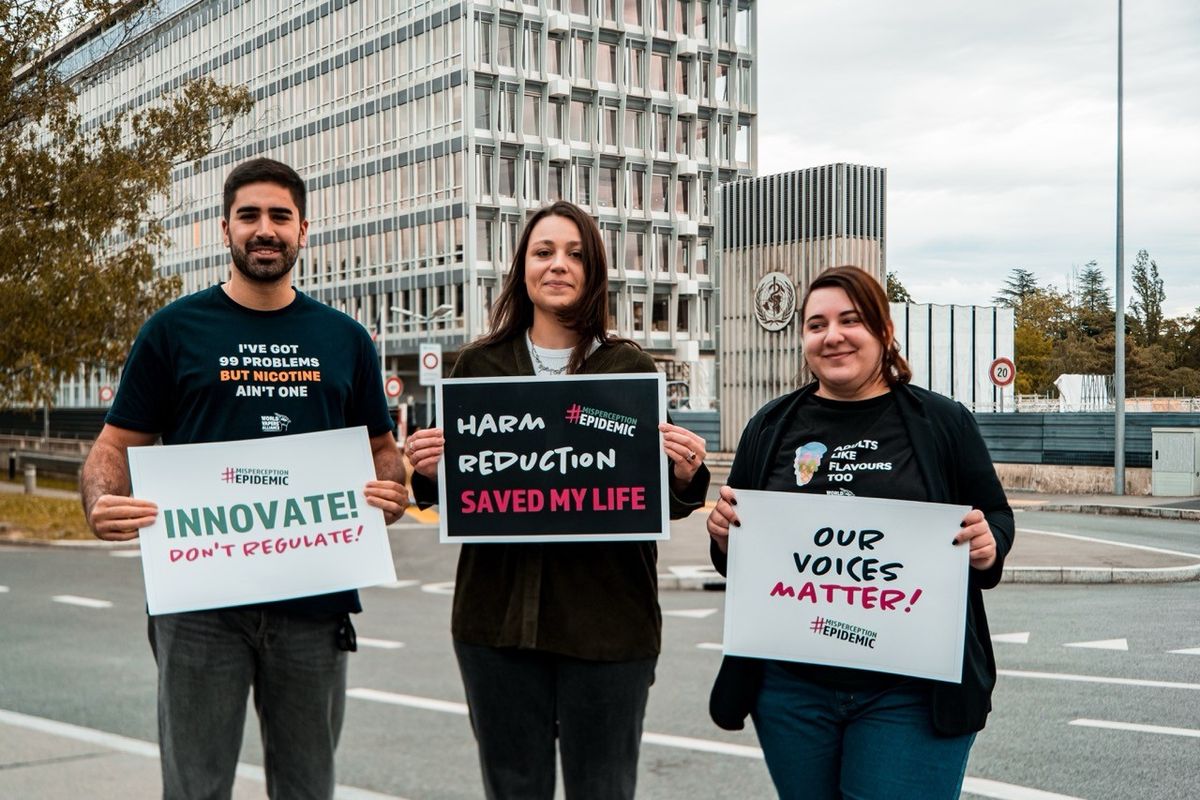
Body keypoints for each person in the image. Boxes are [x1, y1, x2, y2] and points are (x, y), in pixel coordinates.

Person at [80, 157, 408, 800]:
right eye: (250, 215)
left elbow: (381, 449)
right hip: (200, 604)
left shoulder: (345, 339)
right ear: (224, 228)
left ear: (303, 230)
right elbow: (113, 446)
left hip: (314, 602)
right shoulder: (173, 332)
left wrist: (391, 489)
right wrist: (98, 502)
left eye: (279, 216)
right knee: (196, 787)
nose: (265, 229)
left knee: (308, 786)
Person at [404, 200, 711, 800]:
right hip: (495, 627)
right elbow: (452, 495)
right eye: (543, 252)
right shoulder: (478, 367)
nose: (558, 265)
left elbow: (660, 497)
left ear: (594, 270)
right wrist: (431, 470)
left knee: (604, 789)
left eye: (574, 254)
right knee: (512, 788)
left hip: (609, 629)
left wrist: (683, 474)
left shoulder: (627, 368)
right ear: (523, 268)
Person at [705, 266, 1014, 800]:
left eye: (850, 320)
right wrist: (723, 536)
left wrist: (988, 546)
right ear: (802, 339)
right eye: (816, 324)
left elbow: (995, 516)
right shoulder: (770, 427)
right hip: (791, 693)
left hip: (913, 693)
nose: (833, 336)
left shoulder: (942, 423)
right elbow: (739, 549)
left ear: (882, 330)